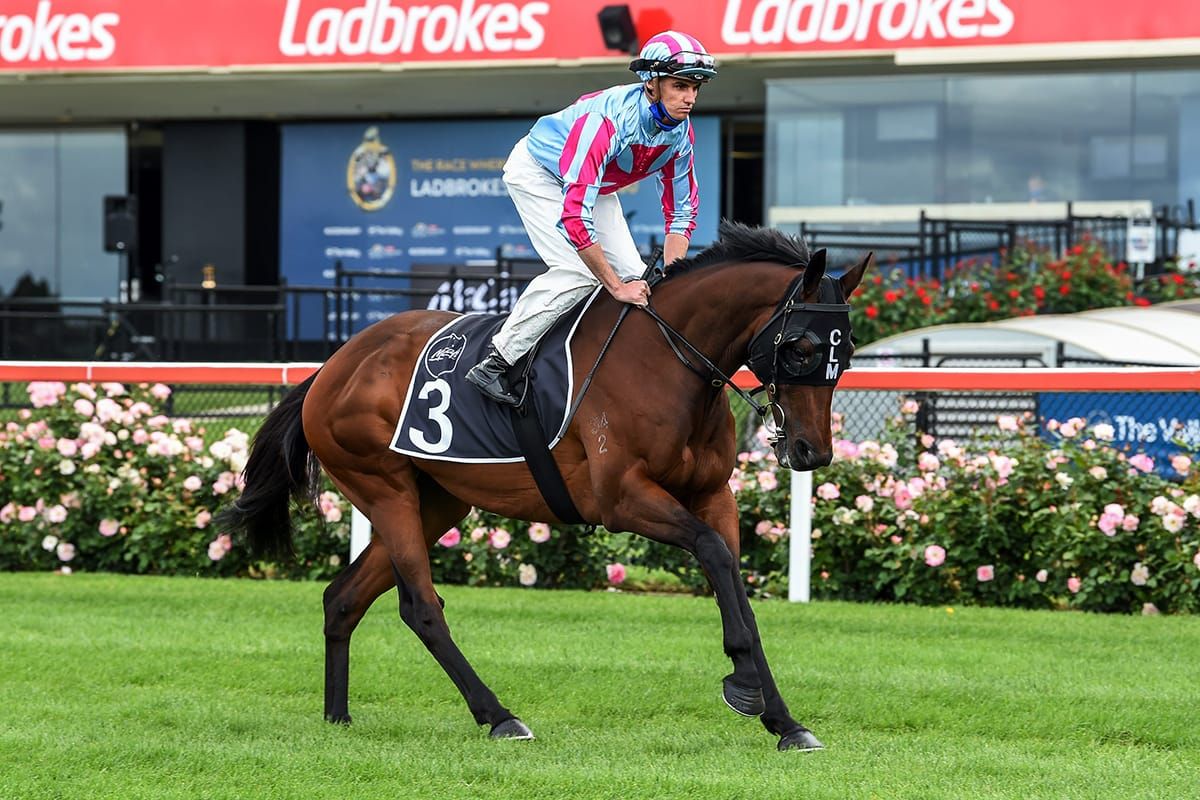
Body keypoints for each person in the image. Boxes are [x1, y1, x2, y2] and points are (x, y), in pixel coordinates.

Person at [465, 31, 717, 405]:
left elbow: (681, 212)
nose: (690, 98)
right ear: (651, 83)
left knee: (640, 282)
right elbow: (575, 217)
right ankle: (495, 362)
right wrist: (614, 287)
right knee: (581, 272)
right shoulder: (606, 123)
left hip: (592, 186)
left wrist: (673, 271)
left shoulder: (681, 134)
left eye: (696, 87)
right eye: (680, 86)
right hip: (539, 172)